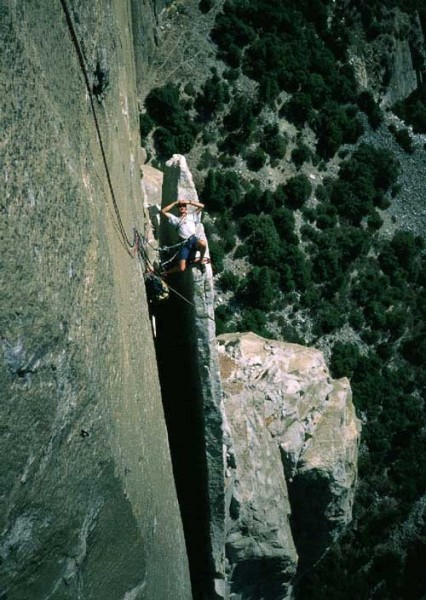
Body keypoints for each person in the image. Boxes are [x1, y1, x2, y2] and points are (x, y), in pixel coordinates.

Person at [161, 199, 207, 274]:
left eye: (183, 206)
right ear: (178, 209)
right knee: (182, 268)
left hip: (193, 240)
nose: (182, 207)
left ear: (186, 208)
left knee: (203, 243)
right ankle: (165, 273)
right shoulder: (176, 220)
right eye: (180, 207)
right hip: (184, 244)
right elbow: (163, 211)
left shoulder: (192, 216)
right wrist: (175, 203)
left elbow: (202, 206)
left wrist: (189, 202)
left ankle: (201, 260)